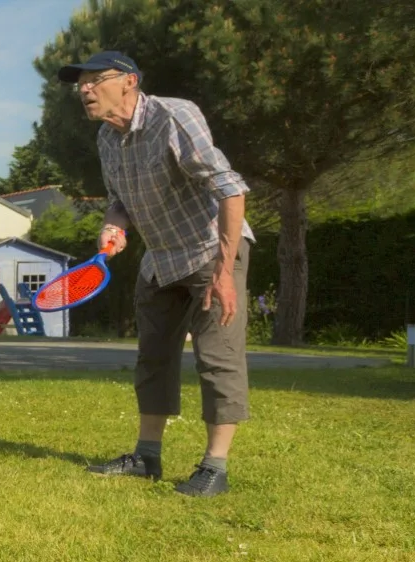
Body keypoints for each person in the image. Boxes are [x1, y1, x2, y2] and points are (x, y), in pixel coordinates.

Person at [62, 51, 253, 497]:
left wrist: (225, 271)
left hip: (211, 249)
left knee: (217, 357)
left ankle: (214, 468)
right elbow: (119, 200)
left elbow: (229, 188)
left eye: (95, 80)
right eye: (80, 85)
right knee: (153, 359)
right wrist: (115, 224)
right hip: (161, 257)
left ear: (129, 81)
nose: (85, 90)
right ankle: (146, 456)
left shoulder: (175, 116)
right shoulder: (107, 140)